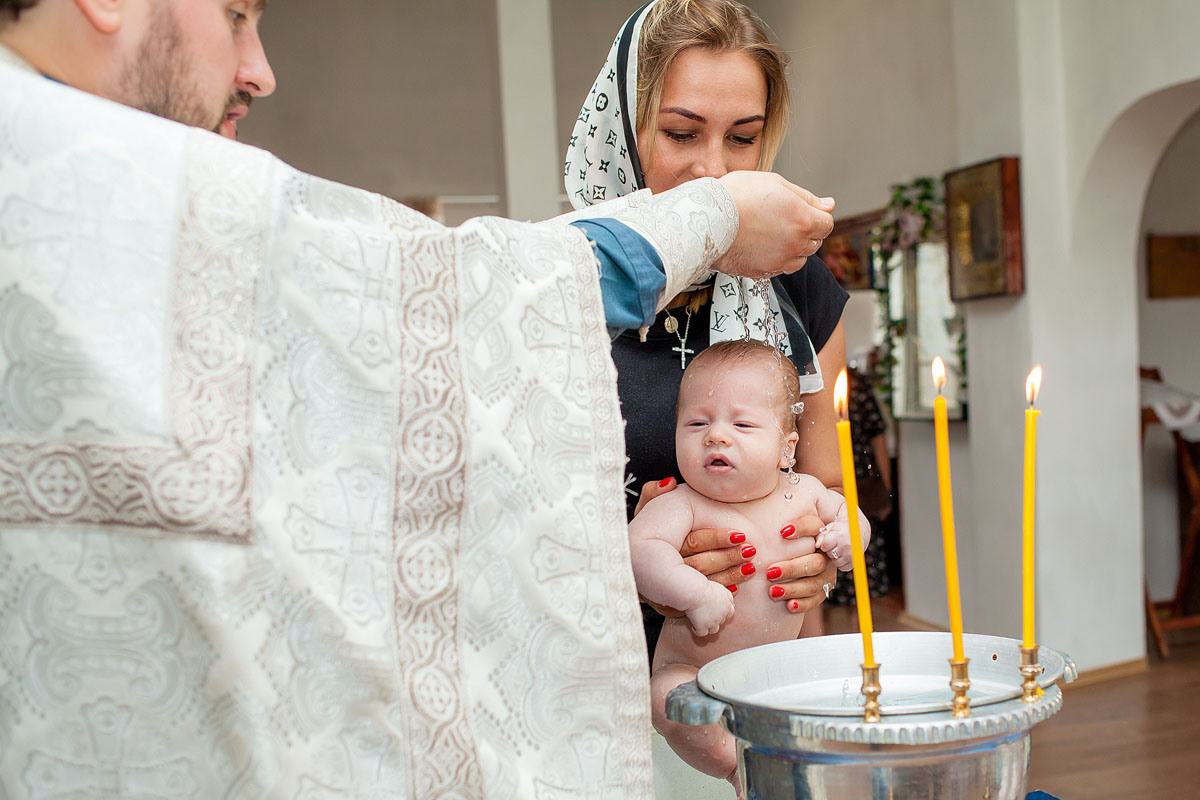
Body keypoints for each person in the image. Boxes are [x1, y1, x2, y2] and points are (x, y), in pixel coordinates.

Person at [0, 1, 837, 797]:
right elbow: (441, 314)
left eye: (744, 138)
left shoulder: (102, 182)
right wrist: (714, 219)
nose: (260, 70)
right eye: (234, 14)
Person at [565, 0, 862, 656]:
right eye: (680, 132)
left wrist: (814, 563)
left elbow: (827, 483)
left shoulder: (798, 283)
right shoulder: (563, 280)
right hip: (590, 669)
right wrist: (642, 566)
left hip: (757, 666)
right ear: (624, 129)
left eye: (741, 137)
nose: (714, 173)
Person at [628, 340, 858, 790]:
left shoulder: (804, 490)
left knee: (817, 709)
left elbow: (850, 514)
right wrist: (694, 593)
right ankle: (738, 769)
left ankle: (783, 767)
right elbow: (638, 549)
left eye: (742, 423)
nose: (715, 435)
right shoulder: (684, 503)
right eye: (696, 423)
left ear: (786, 448)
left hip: (773, 674)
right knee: (668, 700)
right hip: (691, 673)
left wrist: (848, 537)